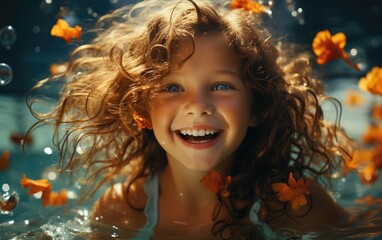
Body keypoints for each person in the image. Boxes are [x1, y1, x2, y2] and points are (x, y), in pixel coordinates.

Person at [27, 0, 355, 239]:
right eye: (172, 87)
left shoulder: (288, 205)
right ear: (142, 110)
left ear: (256, 107)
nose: (198, 106)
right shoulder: (125, 208)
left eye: (221, 86)